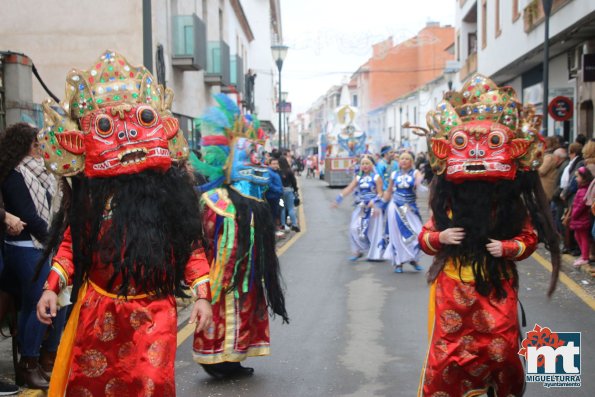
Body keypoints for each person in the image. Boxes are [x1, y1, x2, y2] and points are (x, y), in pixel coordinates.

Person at [35, 51, 213, 396]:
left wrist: (202, 297)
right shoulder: (91, 198)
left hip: (155, 312)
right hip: (98, 308)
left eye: (142, 121)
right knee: (90, 387)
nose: (126, 136)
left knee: (152, 385)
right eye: (107, 127)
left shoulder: (169, 195)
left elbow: (191, 246)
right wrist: (50, 287)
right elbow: (72, 243)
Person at [415, 74, 560, 397]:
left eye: (492, 143)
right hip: (453, 286)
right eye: (466, 145)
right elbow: (425, 237)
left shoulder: (509, 202)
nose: (478, 156)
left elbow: (529, 237)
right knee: (450, 358)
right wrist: (441, 238)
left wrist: (508, 247)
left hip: (496, 284)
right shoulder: (448, 202)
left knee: (504, 351)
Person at [192, 94, 288, 379]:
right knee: (222, 312)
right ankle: (216, 361)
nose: (258, 161)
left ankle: (234, 358)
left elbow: (274, 194)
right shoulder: (212, 200)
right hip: (220, 275)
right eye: (251, 155)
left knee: (244, 312)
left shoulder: (253, 196)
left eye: (259, 155)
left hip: (248, 272)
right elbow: (203, 238)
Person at [0, 123, 67, 390]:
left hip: (42, 246)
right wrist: (55, 239)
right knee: (39, 303)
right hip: (26, 248)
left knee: (56, 301)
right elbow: (29, 215)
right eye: (37, 143)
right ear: (26, 144)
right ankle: (29, 363)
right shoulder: (15, 174)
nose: (42, 147)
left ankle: (46, 358)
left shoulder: (40, 172)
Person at [333, 155, 384, 261]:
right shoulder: (358, 177)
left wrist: (373, 201)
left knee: (372, 231)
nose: (364, 166)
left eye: (367, 163)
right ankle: (357, 251)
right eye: (363, 164)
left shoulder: (376, 177)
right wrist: (338, 199)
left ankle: (375, 253)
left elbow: (380, 193)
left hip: (373, 207)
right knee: (353, 228)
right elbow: (349, 189)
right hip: (361, 207)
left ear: (372, 165)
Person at [383, 151, 424, 273]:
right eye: (402, 159)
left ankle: (413, 258)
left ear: (411, 162)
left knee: (417, 233)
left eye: (407, 159)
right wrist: (379, 204)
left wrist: (419, 181)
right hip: (395, 207)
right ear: (399, 162)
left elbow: (419, 180)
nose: (404, 161)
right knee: (397, 235)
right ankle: (398, 262)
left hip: (410, 208)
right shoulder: (394, 174)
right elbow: (389, 191)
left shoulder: (415, 173)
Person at [569, 166, 593, 268]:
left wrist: (574, 214)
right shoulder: (582, 189)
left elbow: (580, 205)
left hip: (581, 218)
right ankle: (583, 255)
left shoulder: (583, 191)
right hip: (578, 218)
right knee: (577, 236)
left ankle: (585, 257)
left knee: (583, 237)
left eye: (577, 176)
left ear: (583, 178)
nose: (576, 179)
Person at [279, 156, 300, 232]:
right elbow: (294, 182)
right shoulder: (289, 171)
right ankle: (294, 224)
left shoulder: (278, 171)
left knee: (282, 208)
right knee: (291, 208)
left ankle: (283, 225)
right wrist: (295, 190)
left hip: (281, 192)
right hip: (289, 191)